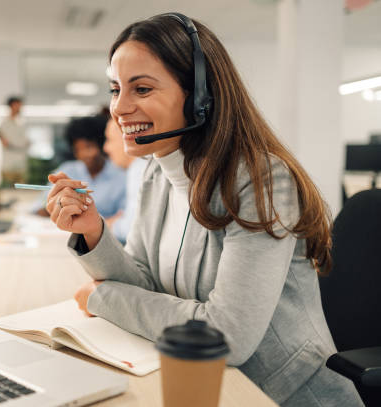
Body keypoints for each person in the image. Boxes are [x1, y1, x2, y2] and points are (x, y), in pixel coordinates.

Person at [43, 13, 363, 407]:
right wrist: (94, 232)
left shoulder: (261, 180)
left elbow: (226, 337)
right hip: (205, 384)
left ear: (200, 96)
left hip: (281, 395)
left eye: (141, 89)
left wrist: (101, 298)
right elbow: (143, 283)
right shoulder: (155, 175)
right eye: (115, 89)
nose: (119, 108)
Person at [34, 115, 126, 219]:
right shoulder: (67, 170)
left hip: (104, 234)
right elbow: (38, 208)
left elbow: (124, 218)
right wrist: (56, 204)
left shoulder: (121, 175)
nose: (83, 154)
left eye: (88, 147)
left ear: (101, 145)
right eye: (77, 149)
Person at [103, 119, 147, 244]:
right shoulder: (139, 166)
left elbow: (132, 229)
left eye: (109, 139)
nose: (106, 148)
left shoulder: (140, 168)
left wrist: (107, 225)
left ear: (128, 138)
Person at [0, 96, 29, 185]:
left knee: (21, 189)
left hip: (20, 164)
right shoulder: (4, 123)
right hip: (8, 165)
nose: (19, 108)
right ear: (11, 106)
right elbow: (3, 140)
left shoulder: (22, 123)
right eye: (17, 105)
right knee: (8, 188)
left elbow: (25, 141)